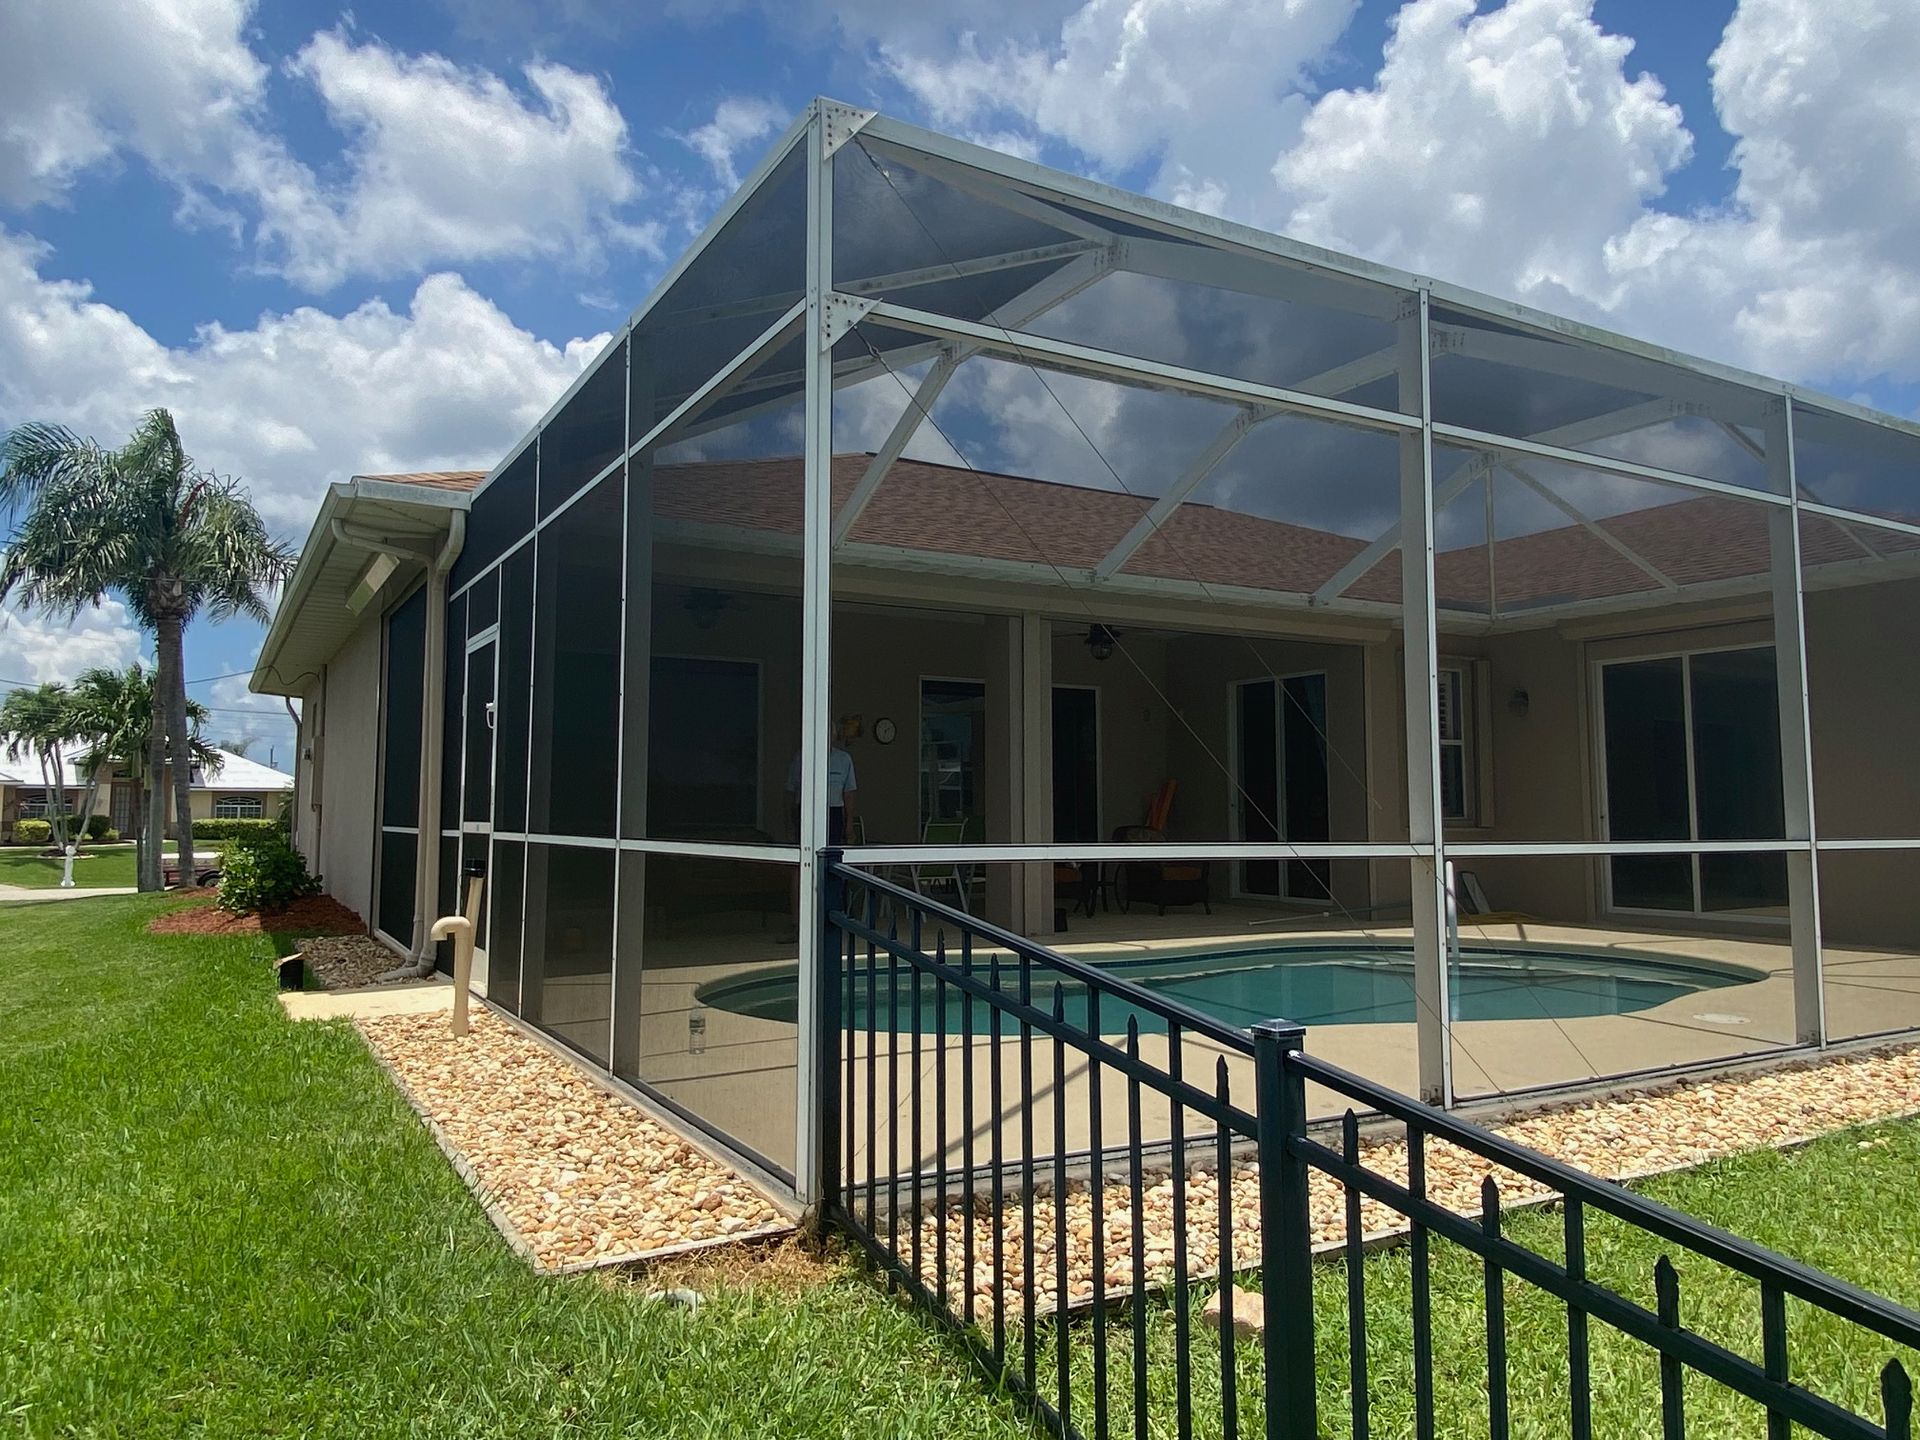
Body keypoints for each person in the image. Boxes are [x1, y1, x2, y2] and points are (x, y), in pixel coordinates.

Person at [781, 724, 859, 942]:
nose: (826, 735)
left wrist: (849, 824)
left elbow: (849, 794)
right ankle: (798, 925)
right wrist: (788, 826)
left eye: (829, 731)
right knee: (801, 868)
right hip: (804, 812)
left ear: (834, 736)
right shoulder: (802, 757)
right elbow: (790, 792)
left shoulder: (844, 759)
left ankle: (833, 921)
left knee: (833, 867)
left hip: (833, 813)